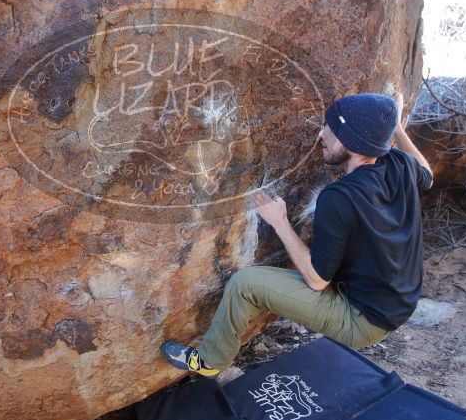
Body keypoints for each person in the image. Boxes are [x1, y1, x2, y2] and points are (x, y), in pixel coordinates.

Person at [161, 91, 434, 377]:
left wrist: (280, 223)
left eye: (331, 128)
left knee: (245, 284)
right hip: (396, 303)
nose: (321, 134)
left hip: (363, 321)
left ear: (350, 143)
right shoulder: (399, 164)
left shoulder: (340, 197)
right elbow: (427, 172)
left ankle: (209, 362)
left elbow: (317, 281)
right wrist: (398, 129)